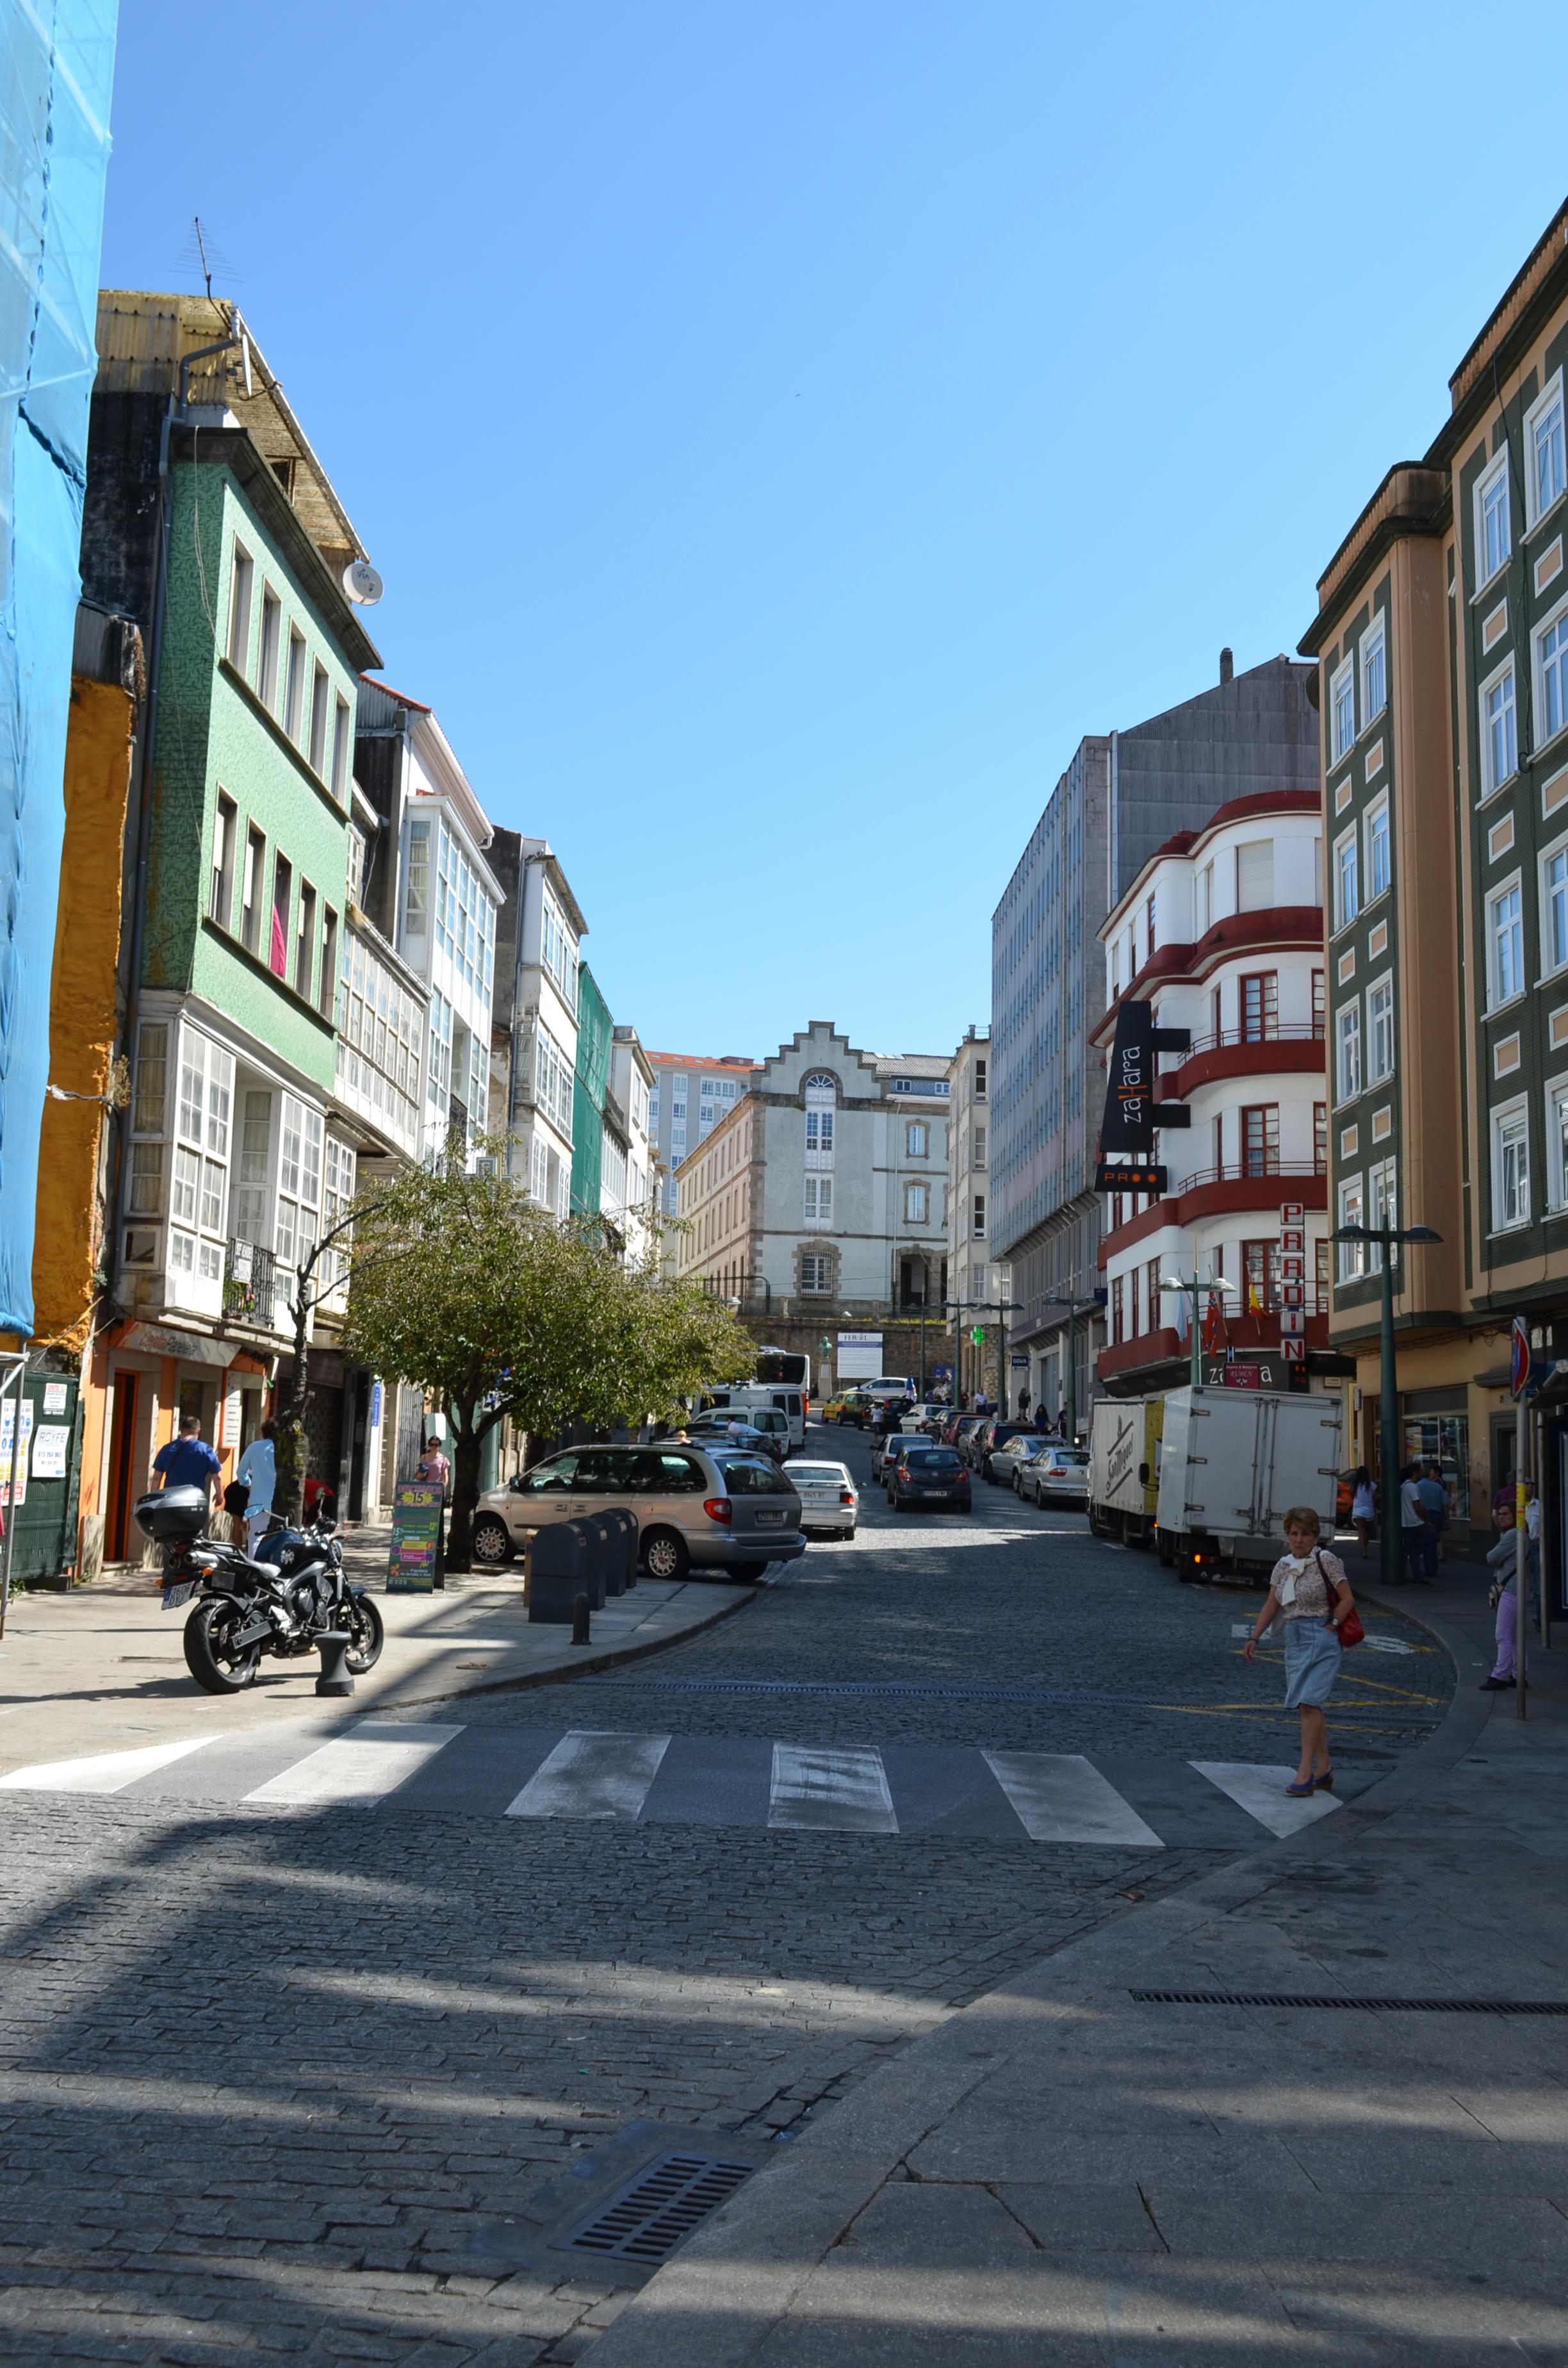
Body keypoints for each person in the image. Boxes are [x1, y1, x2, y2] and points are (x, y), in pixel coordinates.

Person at [1243, 1505, 1356, 1794]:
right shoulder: (1282, 1566)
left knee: (1308, 1703)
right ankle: (1325, 1767)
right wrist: (1255, 1637)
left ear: (1316, 1535)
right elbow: (1272, 1604)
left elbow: (1347, 1599)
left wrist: (1331, 1625)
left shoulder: (1326, 1560)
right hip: (1293, 1638)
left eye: (1306, 1534)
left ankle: (1304, 1773)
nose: (1299, 1539)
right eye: (1294, 1533)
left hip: (1321, 1636)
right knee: (1309, 1706)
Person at [1483, 1506, 1528, 1691]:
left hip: (1510, 1589)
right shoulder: (1522, 1534)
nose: (1501, 1518)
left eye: (1506, 1514)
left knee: (1503, 1634)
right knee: (1516, 1636)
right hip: (1517, 1588)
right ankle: (1520, 1675)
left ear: (1515, 1516)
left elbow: (1491, 1557)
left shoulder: (1513, 1535)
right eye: (1500, 1514)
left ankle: (1499, 1676)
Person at [152, 1413, 221, 1511]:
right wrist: (220, 1495)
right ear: (198, 1431)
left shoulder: (166, 1449)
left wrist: (154, 1500)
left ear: (181, 1430)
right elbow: (217, 1476)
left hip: (170, 1501)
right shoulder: (205, 1450)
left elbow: (156, 1478)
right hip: (194, 1501)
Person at [236, 1418, 277, 1555]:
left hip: (258, 1502)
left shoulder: (254, 1447)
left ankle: (254, 1571)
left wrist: (248, 1484)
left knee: (255, 1538)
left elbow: (241, 1472)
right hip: (280, 1501)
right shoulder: (284, 1449)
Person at [1398, 1463, 1433, 1583]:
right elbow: (1417, 1506)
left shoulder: (1403, 1486)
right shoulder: (1412, 1487)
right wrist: (1425, 1519)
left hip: (1407, 1523)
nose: (1422, 1473)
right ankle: (1424, 1570)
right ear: (1416, 1472)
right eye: (1420, 1471)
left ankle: (1418, 1575)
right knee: (1433, 1536)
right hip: (1416, 1522)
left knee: (1414, 1551)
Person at [1414, 1461, 1447, 1573]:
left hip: (1424, 1515)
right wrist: (1446, 1518)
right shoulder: (1437, 1486)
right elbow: (1445, 1503)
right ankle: (1433, 1566)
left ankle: (1428, 1567)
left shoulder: (1417, 1486)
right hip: (1437, 1515)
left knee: (1426, 1541)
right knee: (1435, 1538)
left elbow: (1416, 1503)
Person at [1350, 1466, 1375, 1561]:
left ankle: (1364, 1551)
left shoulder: (1354, 1485)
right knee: (1367, 1531)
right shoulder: (1371, 1485)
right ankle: (1365, 1548)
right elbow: (1375, 1497)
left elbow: (1352, 1496)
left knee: (1361, 1531)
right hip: (1369, 1510)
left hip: (1357, 1510)